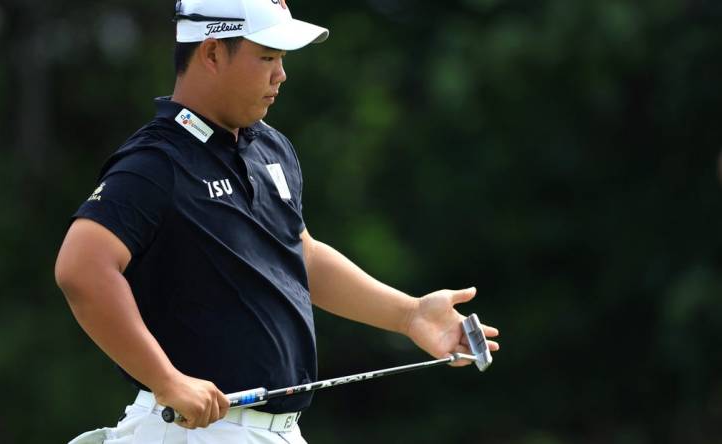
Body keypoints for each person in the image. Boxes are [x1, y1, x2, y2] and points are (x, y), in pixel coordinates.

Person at [54, 0, 500, 443]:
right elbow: (82, 269)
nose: (280, 74)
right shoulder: (155, 162)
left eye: (281, 59)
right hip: (198, 431)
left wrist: (410, 314)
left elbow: (299, 254)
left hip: (277, 432)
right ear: (211, 54)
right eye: (266, 57)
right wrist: (167, 380)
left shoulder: (270, 148)